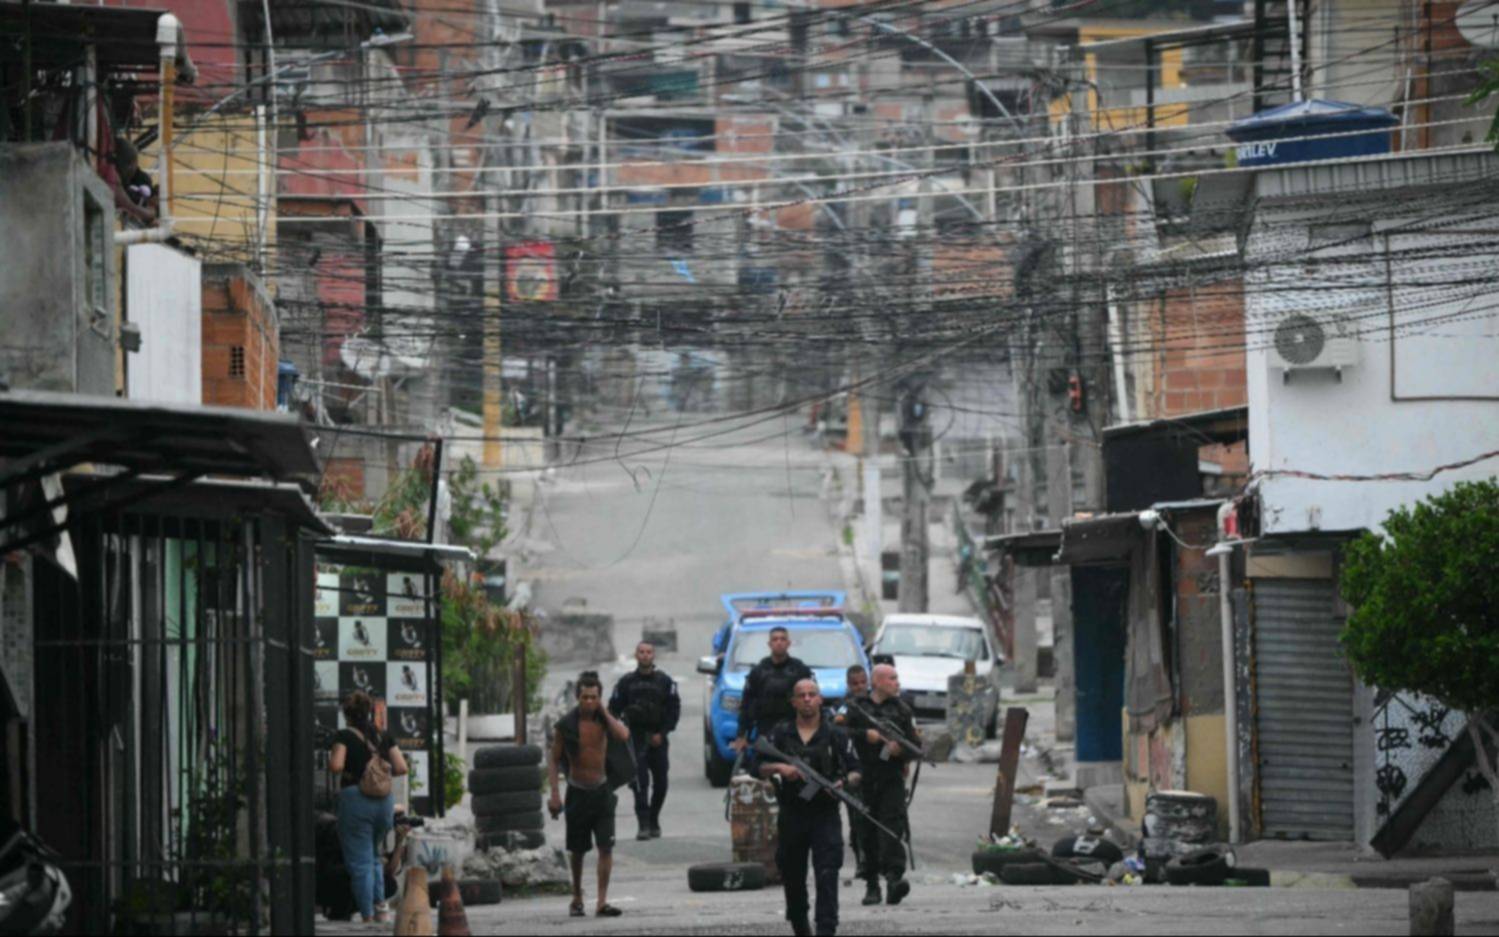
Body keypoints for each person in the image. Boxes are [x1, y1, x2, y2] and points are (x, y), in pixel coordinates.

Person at [759, 677, 861, 937]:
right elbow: (757, 766)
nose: (807, 699)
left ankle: (826, 928)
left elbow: (856, 771)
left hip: (825, 815)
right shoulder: (780, 733)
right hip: (792, 814)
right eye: (801, 695)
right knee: (793, 876)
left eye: (812, 694)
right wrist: (780, 768)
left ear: (820, 699)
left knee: (827, 874)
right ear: (793, 702)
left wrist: (841, 783)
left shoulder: (836, 735)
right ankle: (799, 923)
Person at [548, 671, 633, 919]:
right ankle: (577, 897)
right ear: (577, 697)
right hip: (577, 792)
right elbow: (553, 760)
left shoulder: (605, 721)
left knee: (606, 847)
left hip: (602, 791)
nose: (588, 702)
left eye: (593, 697)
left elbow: (623, 735)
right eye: (584, 697)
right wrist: (555, 794)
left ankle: (602, 902)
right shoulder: (566, 725)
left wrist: (604, 712)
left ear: (599, 697)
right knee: (577, 850)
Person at [326, 691, 409, 924]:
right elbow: (401, 768)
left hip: (355, 801)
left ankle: (367, 916)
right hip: (384, 804)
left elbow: (336, 765)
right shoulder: (383, 735)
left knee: (360, 862)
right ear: (370, 712)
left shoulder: (344, 735)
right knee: (373, 857)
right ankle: (381, 908)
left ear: (347, 715)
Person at [842, 663, 918, 906]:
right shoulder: (857, 708)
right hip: (862, 778)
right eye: (892, 678)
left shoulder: (902, 709)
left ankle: (894, 879)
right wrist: (867, 735)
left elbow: (914, 745)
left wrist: (900, 750)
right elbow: (838, 733)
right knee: (865, 830)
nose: (897, 682)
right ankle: (871, 884)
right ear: (876, 682)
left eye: (897, 677)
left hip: (890, 778)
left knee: (892, 828)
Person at [608, 640, 681, 840]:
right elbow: (613, 710)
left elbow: (674, 710)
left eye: (649, 652)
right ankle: (643, 824)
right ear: (636, 655)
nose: (645, 655)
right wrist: (620, 732)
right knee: (640, 783)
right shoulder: (626, 683)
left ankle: (654, 817)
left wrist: (663, 733)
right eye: (641, 652)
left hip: (658, 738)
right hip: (635, 739)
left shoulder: (665, 682)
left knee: (661, 784)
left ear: (653, 655)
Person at [833, 664, 877, 904]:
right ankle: (862, 861)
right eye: (855, 684)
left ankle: (874, 860)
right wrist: (862, 734)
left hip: (875, 768)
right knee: (856, 817)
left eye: (863, 682)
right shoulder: (844, 706)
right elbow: (839, 726)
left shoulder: (874, 703)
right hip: (852, 769)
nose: (860, 687)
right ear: (848, 685)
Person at [733, 626, 812, 756]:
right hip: (765, 729)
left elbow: (813, 701)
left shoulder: (800, 670)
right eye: (775, 639)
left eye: (782, 639)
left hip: (794, 729)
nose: (779, 642)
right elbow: (747, 704)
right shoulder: (758, 671)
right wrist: (741, 735)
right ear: (769, 644)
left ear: (788, 643)